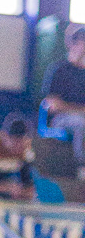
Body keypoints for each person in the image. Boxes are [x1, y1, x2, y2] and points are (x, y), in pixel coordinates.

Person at [43, 23, 85, 181]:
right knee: (80, 123)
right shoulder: (58, 70)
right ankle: (82, 167)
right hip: (61, 120)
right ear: (72, 44)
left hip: (79, 116)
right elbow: (53, 106)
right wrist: (79, 110)